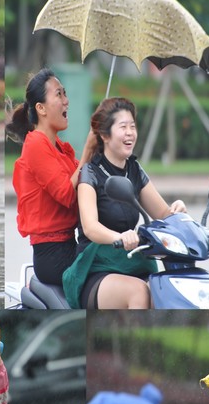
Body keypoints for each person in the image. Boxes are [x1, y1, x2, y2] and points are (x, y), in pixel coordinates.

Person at [67, 97, 186, 309]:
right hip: (97, 267)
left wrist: (177, 212)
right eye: (123, 127)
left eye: (133, 126)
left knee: (167, 290)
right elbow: (90, 227)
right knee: (139, 292)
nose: (130, 132)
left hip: (131, 260)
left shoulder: (134, 169)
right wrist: (119, 237)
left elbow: (163, 213)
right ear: (104, 135)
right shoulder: (90, 174)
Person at [7, 68, 82, 286]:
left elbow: (84, 177)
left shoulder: (57, 146)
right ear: (41, 108)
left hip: (70, 244)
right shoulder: (36, 144)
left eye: (65, 93)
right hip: (54, 258)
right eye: (59, 94)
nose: (66, 101)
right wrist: (88, 152)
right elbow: (67, 194)